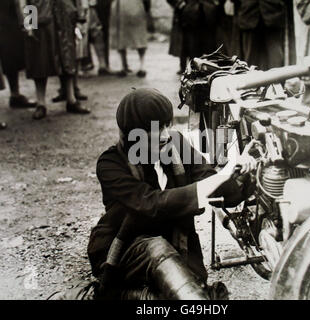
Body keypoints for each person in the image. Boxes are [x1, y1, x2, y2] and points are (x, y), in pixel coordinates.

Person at [87, 88, 256, 300]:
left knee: (184, 286)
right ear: (133, 134)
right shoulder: (110, 164)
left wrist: (245, 174)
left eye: (167, 125)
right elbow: (154, 204)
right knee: (159, 252)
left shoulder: (176, 144)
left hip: (176, 245)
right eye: (157, 129)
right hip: (125, 249)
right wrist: (221, 176)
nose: (166, 135)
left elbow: (214, 186)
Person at [19, 0, 90, 120]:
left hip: (64, 15)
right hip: (39, 15)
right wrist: (27, 22)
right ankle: (40, 103)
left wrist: (79, 17)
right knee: (39, 60)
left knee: (67, 58)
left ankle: (71, 99)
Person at [0, 0, 36, 110]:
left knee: (12, 53)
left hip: (11, 16)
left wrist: (31, 24)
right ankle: (15, 95)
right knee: (9, 52)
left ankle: (15, 94)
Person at [232, 0, 288, 70]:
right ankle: (252, 79)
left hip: (273, 13)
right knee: (250, 60)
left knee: (276, 58)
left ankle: (277, 80)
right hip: (248, 14)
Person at [167, 0, 220, 71]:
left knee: (203, 45)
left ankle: (199, 66)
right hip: (188, 16)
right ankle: (188, 67)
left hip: (205, 15)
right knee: (188, 44)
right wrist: (178, 3)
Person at [115, 0, 150, 78]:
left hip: (124, 7)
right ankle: (141, 66)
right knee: (138, 37)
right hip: (130, 8)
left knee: (123, 37)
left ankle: (124, 66)